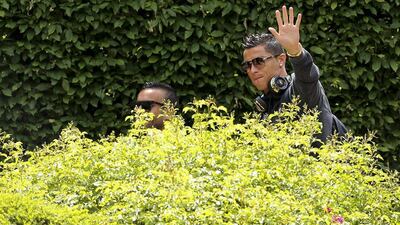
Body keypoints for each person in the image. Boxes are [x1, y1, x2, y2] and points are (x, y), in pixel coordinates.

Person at [242, 6, 346, 143]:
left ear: (281, 60)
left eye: (258, 61)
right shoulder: (265, 107)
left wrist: (295, 52)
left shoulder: (300, 91)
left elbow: (307, 76)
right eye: (247, 65)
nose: (253, 70)